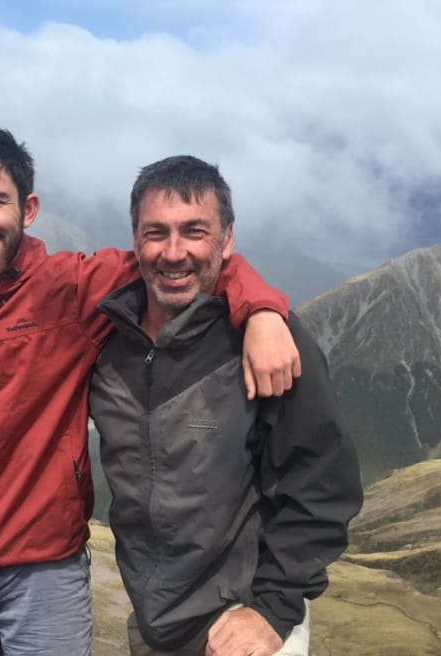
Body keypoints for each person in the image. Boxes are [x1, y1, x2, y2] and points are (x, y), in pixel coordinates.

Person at [0, 125, 301, 656]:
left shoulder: (73, 290)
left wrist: (262, 308)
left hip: (45, 574)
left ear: (28, 208)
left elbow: (183, 260)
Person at [89, 155, 363, 656]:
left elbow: (322, 482)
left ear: (227, 239)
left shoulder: (267, 344)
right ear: (135, 239)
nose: (174, 253)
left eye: (195, 231)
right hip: (153, 625)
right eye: (156, 233)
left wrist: (273, 609)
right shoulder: (107, 338)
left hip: (243, 623)